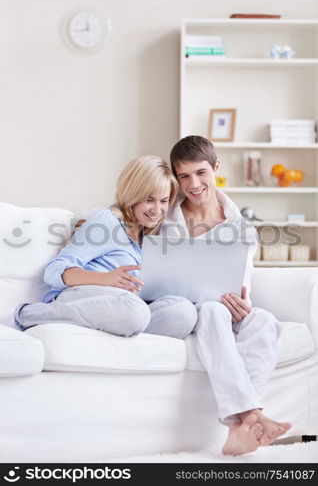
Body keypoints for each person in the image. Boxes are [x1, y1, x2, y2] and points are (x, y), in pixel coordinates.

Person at [161, 135, 291, 456]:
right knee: (212, 311)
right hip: (194, 310)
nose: (194, 183)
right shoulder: (166, 220)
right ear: (176, 178)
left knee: (264, 321)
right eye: (184, 176)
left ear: (216, 168)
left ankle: (238, 429)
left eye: (201, 173)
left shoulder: (240, 225)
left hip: (230, 309)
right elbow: (161, 276)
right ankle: (250, 415)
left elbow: (243, 277)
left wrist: (244, 304)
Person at [14, 155, 198, 340]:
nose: (157, 210)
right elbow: (55, 270)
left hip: (124, 307)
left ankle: (120, 329)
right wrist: (105, 278)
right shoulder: (106, 222)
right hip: (84, 296)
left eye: (164, 201)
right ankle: (30, 314)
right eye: (149, 199)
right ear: (132, 194)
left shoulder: (149, 238)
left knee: (183, 312)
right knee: (135, 311)